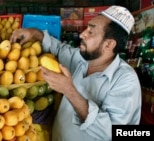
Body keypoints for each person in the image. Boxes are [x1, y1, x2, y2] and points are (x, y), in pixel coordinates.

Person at [10, 5, 142, 141]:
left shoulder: (125, 80)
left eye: (91, 32)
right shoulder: (82, 59)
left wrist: (69, 91)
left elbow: (111, 132)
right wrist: (35, 33)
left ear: (109, 44)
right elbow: (60, 49)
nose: (82, 34)